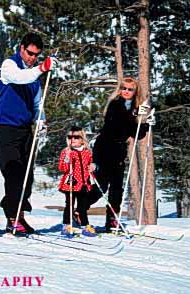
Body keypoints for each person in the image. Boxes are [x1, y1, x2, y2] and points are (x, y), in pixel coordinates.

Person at [0, 32, 57, 235]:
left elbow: (38, 103)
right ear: (21, 48)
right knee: (13, 173)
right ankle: (11, 216)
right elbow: (19, 78)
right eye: (30, 53)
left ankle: (19, 214)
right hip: (5, 127)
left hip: (25, 128)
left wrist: (41, 120)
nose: (32, 58)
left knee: (27, 176)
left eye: (36, 55)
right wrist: (42, 68)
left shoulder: (35, 77)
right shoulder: (9, 65)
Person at [88, 77, 152, 232]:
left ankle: (112, 220)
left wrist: (146, 123)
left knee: (117, 188)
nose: (127, 92)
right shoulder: (115, 105)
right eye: (124, 88)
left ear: (135, 91)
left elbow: (137, 134)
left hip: (119, 151)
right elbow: (122, 126)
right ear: (120, 89)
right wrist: (137, 119)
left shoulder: (133, 108)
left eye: (130, 89)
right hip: (104, 148)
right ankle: (79, 209)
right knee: (101, 186)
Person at [58, 126, 97, 237]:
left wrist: (93, 166)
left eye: (76, 137)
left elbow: (91, 164)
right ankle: (66, 225)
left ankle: (85, 226)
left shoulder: (87, 152)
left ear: (82, 139)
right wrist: (67, 158)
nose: (73, 139)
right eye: (70, 137)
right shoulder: (66, 152)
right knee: (69, 205)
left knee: (83, 207)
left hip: (84, 184)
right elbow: (62, 168)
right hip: (71, 183)